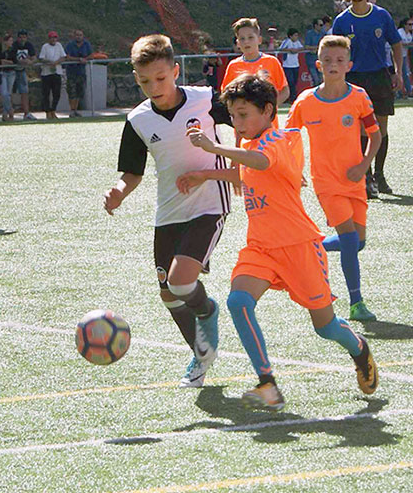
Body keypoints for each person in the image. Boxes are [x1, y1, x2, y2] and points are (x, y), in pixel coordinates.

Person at [176, 73, 378, 411]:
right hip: (261, 247)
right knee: (238, 301)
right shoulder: (246, 145)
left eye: (243, 115)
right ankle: (267, 384)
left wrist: (213, 149)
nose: (237, 124)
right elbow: (246, 172)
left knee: (326, 327)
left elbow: (261, 162)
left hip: (299, 246)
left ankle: (359, 348)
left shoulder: (282, 139)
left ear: (268, 110)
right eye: (233, 116)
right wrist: (206, 174)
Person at [103, 34, 231, 389]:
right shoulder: (138, 120)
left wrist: (248, 161)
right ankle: (201, 355)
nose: (153, 86)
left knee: (181, 281)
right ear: (136, 79)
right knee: (168, 293)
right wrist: (119, 192)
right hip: (169, 210)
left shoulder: (205, 100)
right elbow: (132, 172)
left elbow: (247, 123)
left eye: (160, 78)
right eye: (145, 81)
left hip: (210, 202)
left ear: (175, 71)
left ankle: (208, 312)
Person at [285, 36, 383, 322]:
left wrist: (364, 165)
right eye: (327, 60)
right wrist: (293, 168)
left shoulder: (359, 97)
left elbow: (375, 136)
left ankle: (311, 245)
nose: (333, 65)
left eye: (340, 60)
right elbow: (287, 137)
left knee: (358, 242)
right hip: (326, 182)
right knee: (350, 240)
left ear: (349, 65)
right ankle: (356, 303)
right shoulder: (305, 101)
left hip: (354, 180)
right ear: (318, 65)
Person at [332, 0, 403, 198]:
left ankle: (380, 174)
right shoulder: (342, 21)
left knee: (381, 128)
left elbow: (396, 44)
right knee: (361, 129)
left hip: (379, 76)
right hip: (355, 80)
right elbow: (334, 52)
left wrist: (398, 72)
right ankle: (367, 176)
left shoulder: (382, 16)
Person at [221, 17, 289, 129]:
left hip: (268, 126)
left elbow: (285, 91)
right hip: (243, 128)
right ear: (237, 43)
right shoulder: (233, 66)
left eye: (250, 37)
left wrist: (269, 109)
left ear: (259, 40)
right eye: (242, 39)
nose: (246, 41)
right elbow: (226, 95)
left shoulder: (271, 62)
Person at [64, 29, 92, 117]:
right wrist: (78, 60)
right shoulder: (70, 45)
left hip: (81, 72)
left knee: (80, 92)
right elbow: (67, 56)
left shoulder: (86, 44)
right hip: (71, 72)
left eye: (80, 35)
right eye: (77, 35)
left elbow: (91, 55)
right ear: (74, 36)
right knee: (72, 91)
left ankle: (75, 109)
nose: (78, 37)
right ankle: (72, 110)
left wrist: (85, 59)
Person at [9, 29, 36, 120]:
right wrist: (20, 61)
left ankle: (26, 113)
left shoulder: (29, 45)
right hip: (12, 71)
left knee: (24, 91)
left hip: (22, 71)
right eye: (20, 37)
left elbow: (34, 57)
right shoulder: (14, 45)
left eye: (24, 37)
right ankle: (10, 113)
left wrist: (30, 61)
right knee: (11, 92)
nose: (22, 39)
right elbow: (11, 58)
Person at [38, 31, 65, 119]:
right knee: (46, 93)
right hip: (46, 73)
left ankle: (53, 110)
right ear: (49, 39)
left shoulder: (59, 45)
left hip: (57, 71)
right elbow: (41, 58)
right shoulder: (45, 46)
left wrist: (56, 63)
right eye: (52, 38)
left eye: (55, 38)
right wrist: (50, 62)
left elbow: (63, 57)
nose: (53, 39)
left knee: (56, 93)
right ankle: (47, 111)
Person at [0, 32, 16, 120]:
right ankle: (10, 110)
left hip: (11, 73)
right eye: (10, 41)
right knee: (4, 93)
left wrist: (6, 61)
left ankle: (5, 114)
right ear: (5, 41)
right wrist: (6, 61)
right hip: (2, 73)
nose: (11, 42)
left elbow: (14, 61)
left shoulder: (12, 49)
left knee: (9, 93)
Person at [278, 28, 304, 103]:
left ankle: (292, 97)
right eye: (295, 35)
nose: (296, 37)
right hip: (287, 65)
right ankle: (291, 98)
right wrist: (289, 50)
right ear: (290, 36)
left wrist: (297, 50)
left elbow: (302, 47)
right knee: (290, 82)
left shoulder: (297, 42)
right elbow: (280, 49)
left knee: (295, 82)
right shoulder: (287, 42)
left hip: (296, 65)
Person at [303, 18, 324, 87]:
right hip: (311, 60)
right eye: (320, 25)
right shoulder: (309, 34)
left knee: (321, 80)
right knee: (316, 79)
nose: (322, 26)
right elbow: (306, 46)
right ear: (315, 25)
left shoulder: (323, 34)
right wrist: (317, 48)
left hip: (320, 60)